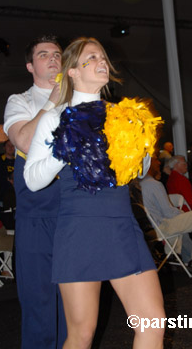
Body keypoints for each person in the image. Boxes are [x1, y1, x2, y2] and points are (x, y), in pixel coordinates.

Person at [24, 37, 165, 349]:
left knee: (152, 324)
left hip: (121, 226)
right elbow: (33, 180)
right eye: (91, 58)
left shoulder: (122, 115)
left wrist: (140, 146)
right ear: (72, 71)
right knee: (81, 335)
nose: (102, 62)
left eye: (103, 57)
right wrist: (65, 147)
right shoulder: (55, 117)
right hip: (79, 229)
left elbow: (138, 173)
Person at [3, 35, 66, 349]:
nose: (54, 59)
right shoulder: (21, 101)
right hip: (37, 215)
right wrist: (53, 100)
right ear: (30, 65)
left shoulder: (80, 99)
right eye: (44, 54)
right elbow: (26, 143)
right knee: (40, 308)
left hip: (73, 215)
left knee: (76, 312)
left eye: (57, 54)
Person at [139, 157, 192, 271]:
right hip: (160, 228)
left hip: (147, 228)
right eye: (155, 160)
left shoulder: (137, 184)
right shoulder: (154, 184)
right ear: (148, 165)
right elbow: (168, 212)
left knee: (177, 220)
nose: (159, 162)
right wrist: (181, 213)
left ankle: (173, 255)